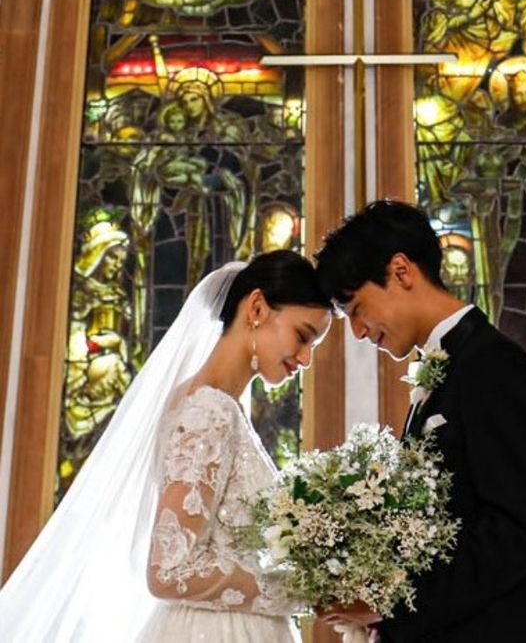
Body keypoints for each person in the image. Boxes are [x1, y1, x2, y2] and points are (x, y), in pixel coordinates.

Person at [0, 250, 333, 642]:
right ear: (257, 308)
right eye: (303, 336)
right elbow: (169, 570)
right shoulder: (209, 411)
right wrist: (298, 589)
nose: (306, 358)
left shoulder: (218, 406)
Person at [314, 200, 526, 643]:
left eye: (356, 308)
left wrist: (393, 601)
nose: (357, 331)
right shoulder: (445, 368)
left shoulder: (492, 363)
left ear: (400, 271)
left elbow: (523, 525)